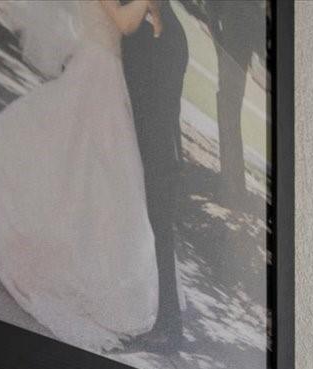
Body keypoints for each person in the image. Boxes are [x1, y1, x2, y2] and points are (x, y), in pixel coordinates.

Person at [0, 0, 159, 353]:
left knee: (95, 173)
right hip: (98, 71)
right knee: (93, 169)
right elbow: (124, 23)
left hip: (102, 71)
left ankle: (82, 251)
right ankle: (64, 253)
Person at [122, 0, 190, 350]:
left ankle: (168, 326)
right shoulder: (154, 29)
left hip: (160, 150)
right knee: (156, 234)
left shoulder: (170, 34)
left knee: (161, 235)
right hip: (154, 145)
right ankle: (164, 321)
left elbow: (160, 98)